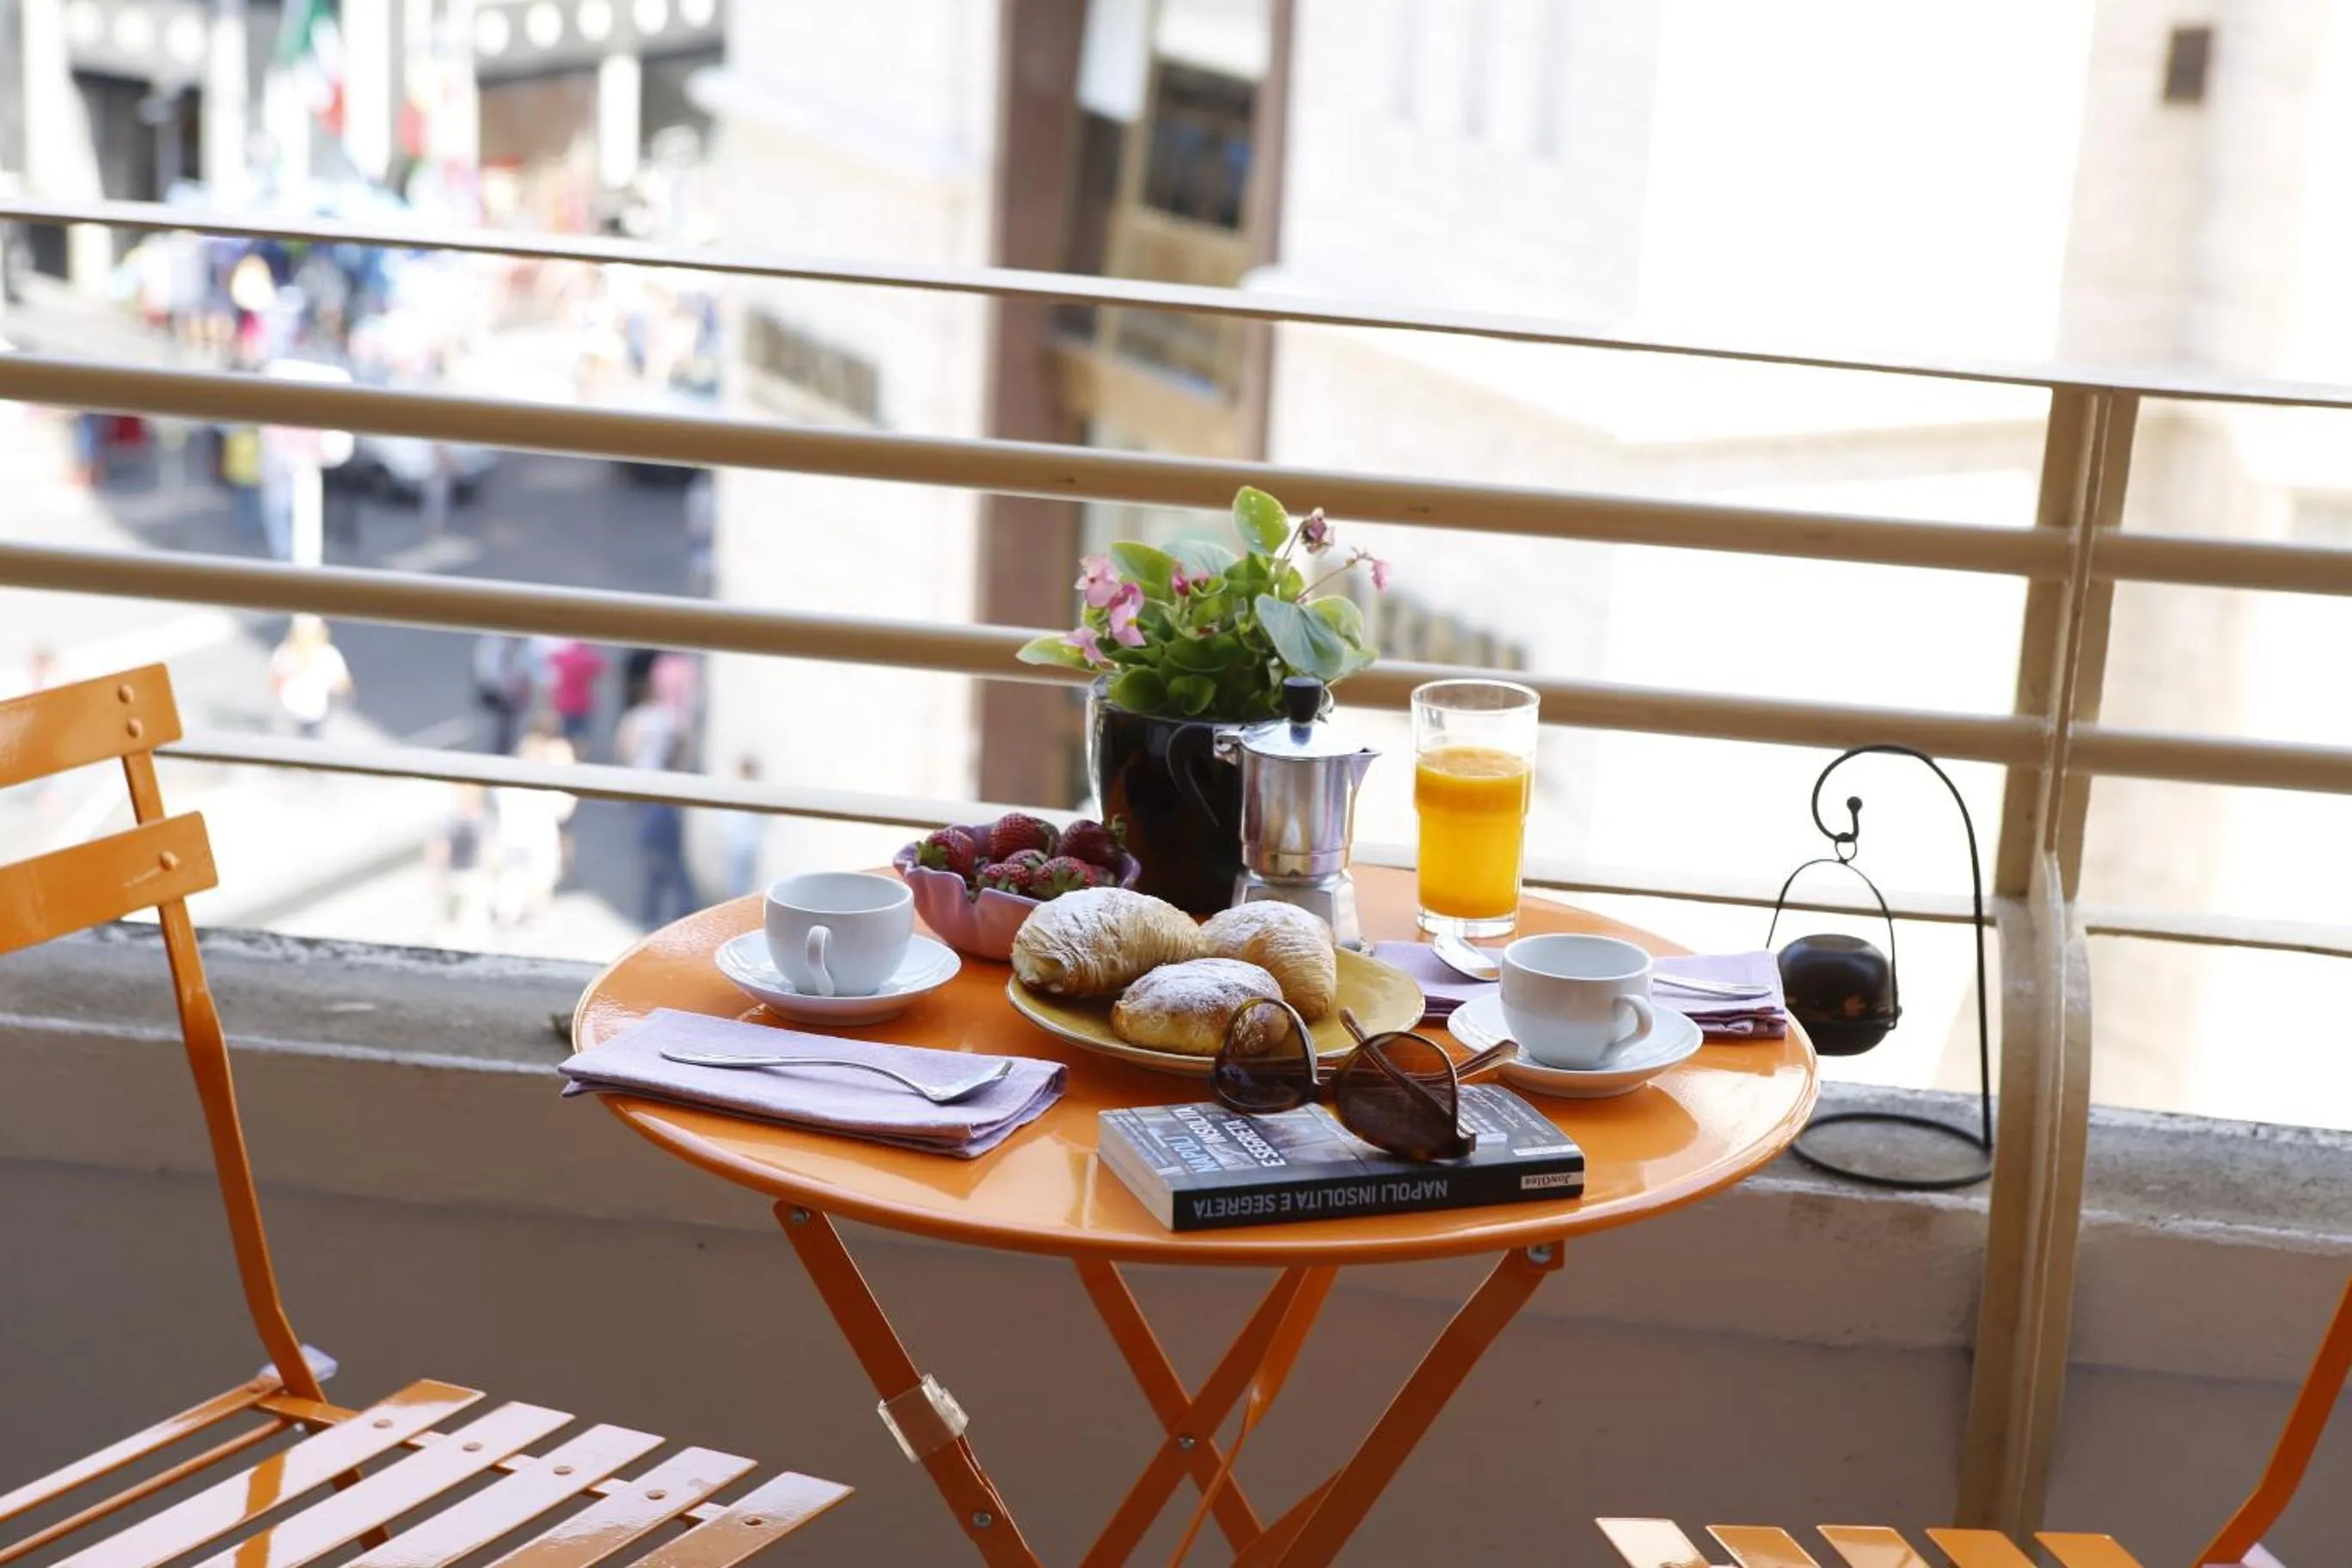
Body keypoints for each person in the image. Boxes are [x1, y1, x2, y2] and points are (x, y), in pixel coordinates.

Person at [492, 719, 576, 929]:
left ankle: (508, 916)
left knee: (512, 876)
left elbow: (498, 799)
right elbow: (562, 809)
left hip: (512, 833)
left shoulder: (510, 780)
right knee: (540, 876)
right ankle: (533, 917)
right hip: (539, 835)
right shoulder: (545, 781)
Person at [426, 786, 496, 938]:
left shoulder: (473, 821)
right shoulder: (457, 821)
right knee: (456, 918)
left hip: (470, 875)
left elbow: (488, 849)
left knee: (465, 917)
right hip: (459, 875)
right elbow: (441, 848)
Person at [267, 616, 352, 740]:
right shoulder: (288, 652)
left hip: (311, 712)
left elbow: (342, 685)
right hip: (294, 713)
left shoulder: (327, 654)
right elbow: (343, 686)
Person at [471, 634, 532, 757]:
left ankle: (502, 750)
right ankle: (500, 752)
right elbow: (496, 668)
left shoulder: (495, 643)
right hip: (499, 688)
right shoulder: (497, 645)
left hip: (500, 687)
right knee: (503, 722)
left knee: (505, 723)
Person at [543, 639, 608, 750]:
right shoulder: (589, 658)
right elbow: (602, 669)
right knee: (580, 741)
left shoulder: (563, 657)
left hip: (564, 704)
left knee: (562, 741)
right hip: (582, 705)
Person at [722, 755, 767, 898]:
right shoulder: (738, 792)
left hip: (746, 845)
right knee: (737, 881)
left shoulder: (754, 793)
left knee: (742, 882)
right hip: (737, 843)